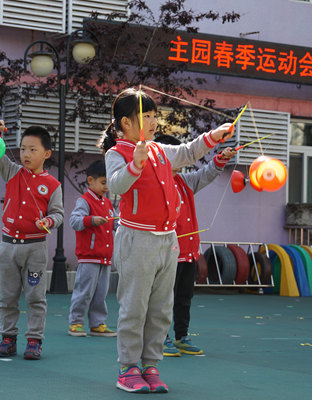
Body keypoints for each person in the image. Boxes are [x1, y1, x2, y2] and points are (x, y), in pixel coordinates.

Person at [98, 87, 233, 393]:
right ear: (125, 123)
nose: (153, 121)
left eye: (154, 115)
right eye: (145, 115)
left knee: (160, 308)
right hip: (136, 239)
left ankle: (150, 365)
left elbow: (188, 152)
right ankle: (127, 368)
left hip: (168, 241)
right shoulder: (117, 153)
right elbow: (117, 186)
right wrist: (135, 164)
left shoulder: (159, 150)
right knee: (134, 308)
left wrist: (214, 136)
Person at [153, 134, 235, 357]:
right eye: (176, 156)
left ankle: (181, 336)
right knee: (163, 299)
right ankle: (159, 337)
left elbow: (206, 174)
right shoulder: (155, 183)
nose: (182, 160)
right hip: (167, 253)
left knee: (184, 297)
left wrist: (221, 158)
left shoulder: (184, 181)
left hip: (188, 253)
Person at [0, 122, 64, 360]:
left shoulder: (53, 185)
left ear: (46, 154)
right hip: (7, 246)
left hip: (35, 248)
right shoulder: (11, 171)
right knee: (7, 297)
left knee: (35, 297)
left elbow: (58, 214)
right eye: (22, 149)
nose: (25, 154)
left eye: (32, 149)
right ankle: (8, 339)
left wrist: (49, 221)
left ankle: (34, 341)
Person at [67, 159, 117, 338]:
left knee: (101, 293)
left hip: (105, 257)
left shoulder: (108, 203)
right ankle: (76, 322)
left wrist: (126, 226)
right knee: (84, 292)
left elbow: (115, 223)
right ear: (90, 180)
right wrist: (91, 220)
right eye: (103, 182)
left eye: (108, 183)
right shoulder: (84, 201)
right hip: (89, 256)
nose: (106, 187)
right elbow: (74, 221)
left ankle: (97, 324)